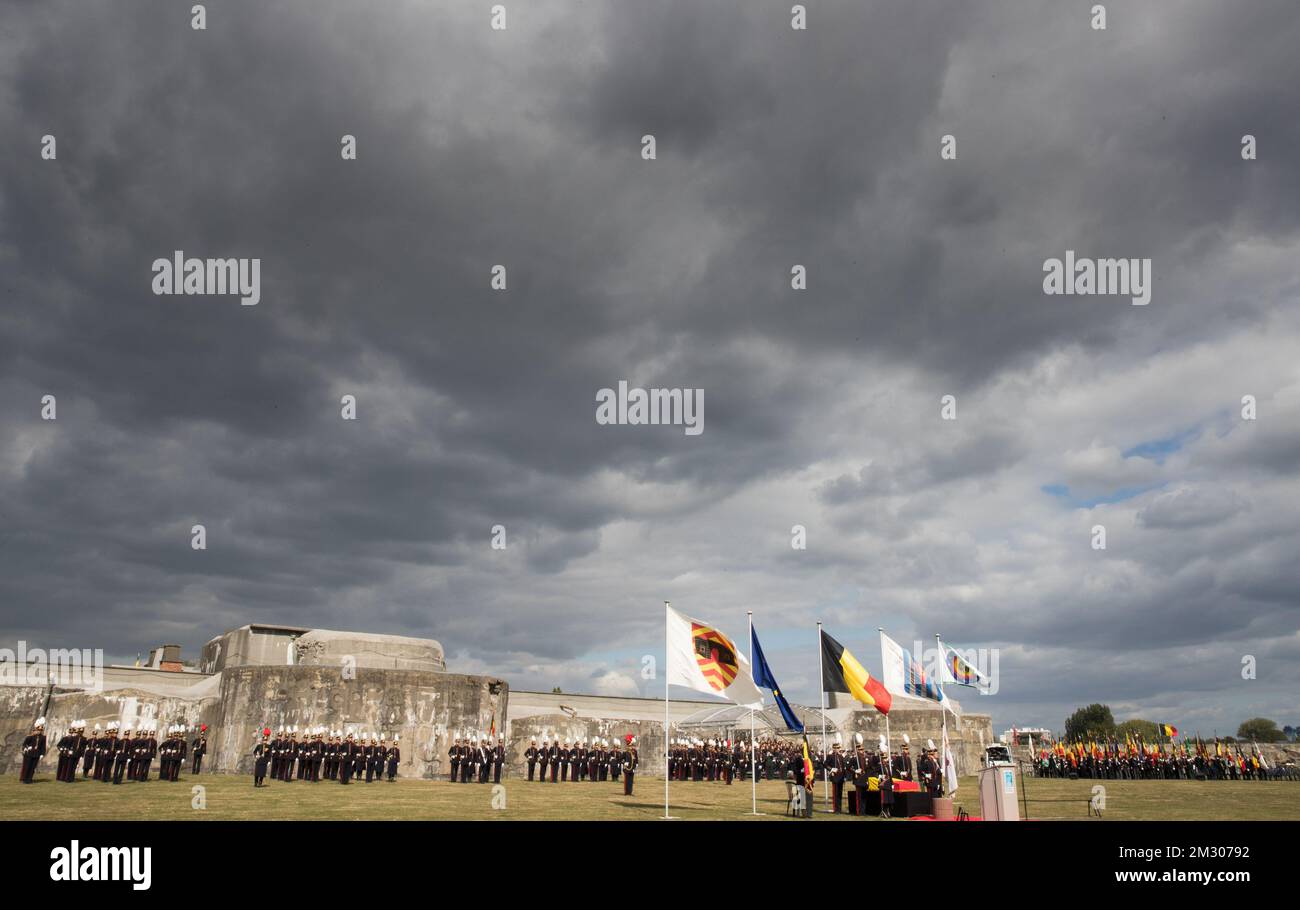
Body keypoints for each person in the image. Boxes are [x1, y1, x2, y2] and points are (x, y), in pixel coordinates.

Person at [20, 717, 48, 783]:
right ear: (35, 730)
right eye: (38, 730)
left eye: (40, 731)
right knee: (27, 766)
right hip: (29, 754)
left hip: (36, 754)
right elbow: (24, 744)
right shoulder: (30, 737)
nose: (39, 732)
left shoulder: (43, 737)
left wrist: (42, 754)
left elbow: (43, 747)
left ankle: (29, 779)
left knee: (33, 767)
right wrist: (27, 748)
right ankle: (25, 778)